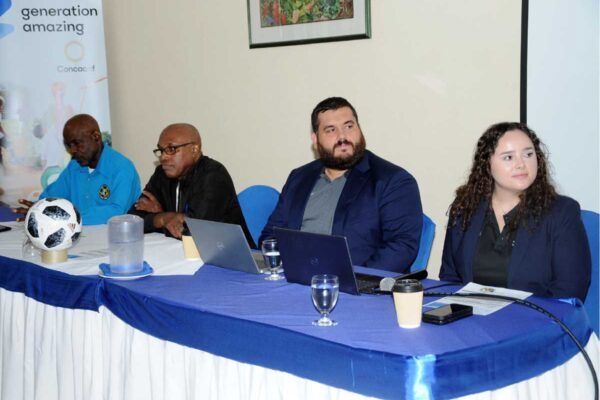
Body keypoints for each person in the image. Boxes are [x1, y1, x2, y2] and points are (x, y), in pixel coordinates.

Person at [259, 97, 423, 273]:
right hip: (295, 281)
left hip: (358, 290)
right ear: (315, 140)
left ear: (359, 129)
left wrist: (352, 280)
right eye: (331, 130)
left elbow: (401, 247)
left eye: (349, 126)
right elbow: (271, 236)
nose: (342, 136)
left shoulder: (393, 181)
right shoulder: (299, 178)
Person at [439, 122, 591, 301]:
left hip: (536, 322)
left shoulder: (561, 212)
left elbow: (569, 291)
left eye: (528, 154)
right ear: (487, 164)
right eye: (508, 157)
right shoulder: (465, 207)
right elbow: (450, 278)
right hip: (473, 321)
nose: (521, 164)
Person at [128, 123, 254, 246]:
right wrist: (164, 218)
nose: (163, 157)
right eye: (161, 150)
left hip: (229, 256)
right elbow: (133, 220)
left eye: (171, 149)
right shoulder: (162, 173)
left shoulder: (214, 176)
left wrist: (158, 217)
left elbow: (195, 233)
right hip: (182, 253)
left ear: (194, 149)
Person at [11, 114, 141, 225]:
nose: (72, 151)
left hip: (113, 242)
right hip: (77, 240)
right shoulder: (74, 167)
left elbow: (117, 212)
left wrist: (67, 217)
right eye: (68, 145)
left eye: (77, 143)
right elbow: (52, 197)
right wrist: (38, 209)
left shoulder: (122, 168)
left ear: (96, 137)